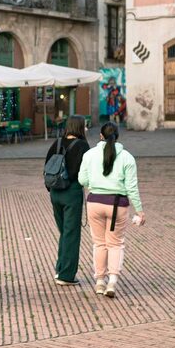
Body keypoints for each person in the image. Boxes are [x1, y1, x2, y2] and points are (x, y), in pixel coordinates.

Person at [78, 121, 145, 298]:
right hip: (117, 204)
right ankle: (112, 282)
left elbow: (82, 180)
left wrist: (96, 183)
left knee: (99, 243)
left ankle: (99, 281)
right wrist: (139, 210)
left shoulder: (89, 154)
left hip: (95, 202)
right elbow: (132, 187)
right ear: (117, 137)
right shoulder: (127, 157)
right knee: (115, 244)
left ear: (100, 136)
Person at [44, 115, 91, 286]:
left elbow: (47, 166)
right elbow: (86, 171)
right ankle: (66, 275)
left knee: (64, 232)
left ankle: (60, 269)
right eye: (84, 126)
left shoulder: (56, 143)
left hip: (55, 192)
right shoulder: (83, 146)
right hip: (71, 192)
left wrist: (50, 188)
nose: (86, 129)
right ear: (79, 127)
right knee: (71, 234)